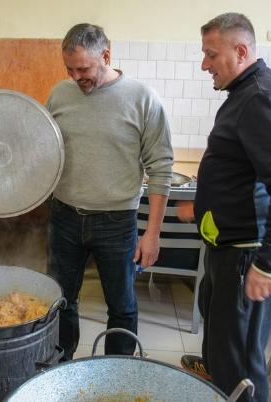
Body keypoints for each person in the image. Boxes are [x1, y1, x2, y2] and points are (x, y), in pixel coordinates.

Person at [178, 13, 271, 402]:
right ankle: (215, 377)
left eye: (211, 55)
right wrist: (204, 207)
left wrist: (268, 264)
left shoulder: (261, 99)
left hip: (249, 255)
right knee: (220, 343)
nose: (204, 65)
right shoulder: (244, 93)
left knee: (242, 363)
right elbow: (242, 168)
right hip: (228, 246)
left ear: (241, 51)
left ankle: (230, 384)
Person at [46, 23, 174, 361]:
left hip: (117, 222)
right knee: (61, 300)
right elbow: (46, 150)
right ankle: (61, 367)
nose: (76, 76)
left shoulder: (142, 98)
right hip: (65, 218)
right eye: (69, 69)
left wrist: (153, 234)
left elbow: (161, 168)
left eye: (84, 68)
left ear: (106, 55)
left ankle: (118, 373)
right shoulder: (60, 94)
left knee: (122, 305)